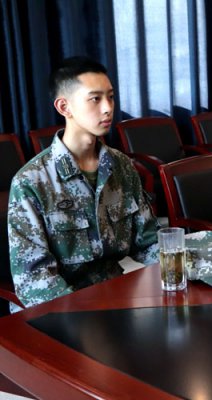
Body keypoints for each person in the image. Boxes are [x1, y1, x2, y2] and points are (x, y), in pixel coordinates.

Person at [8, 56, 159, 310]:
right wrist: (86, 316)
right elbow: (35, 281)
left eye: (111, 97)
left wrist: (183, 270)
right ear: (64, 107)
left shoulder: (121, 166)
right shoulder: (31, 181)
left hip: (113, 296)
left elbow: (148, 243)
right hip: (59, 309)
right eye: (95, 99)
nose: (108, 108)